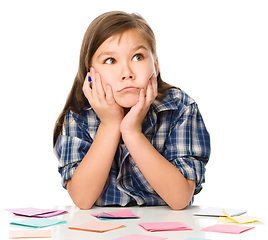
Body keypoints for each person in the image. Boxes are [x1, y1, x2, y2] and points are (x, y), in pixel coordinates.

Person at [53, 11, 210, 210]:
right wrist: (110, 125)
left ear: (155, 64)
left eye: (138, 57)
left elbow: (180, 199)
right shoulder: (78, 116)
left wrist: (132, 132)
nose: (126, 73)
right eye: (110, 60)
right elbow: (82, 200)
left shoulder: (181, 109)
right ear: (90, 73)